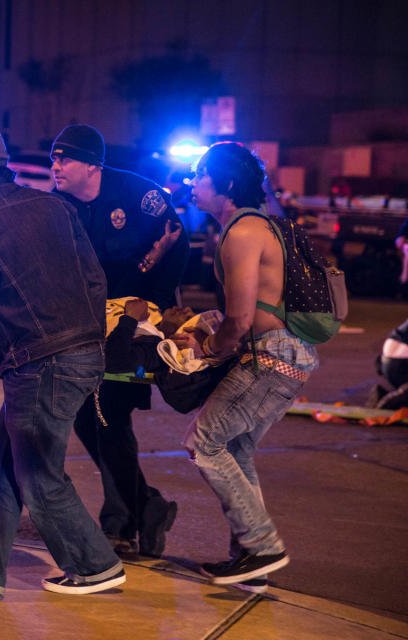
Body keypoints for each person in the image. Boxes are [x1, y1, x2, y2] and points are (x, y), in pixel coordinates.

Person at [0, 129, 123, 600]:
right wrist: (91, 341)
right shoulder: (56, 207)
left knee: (38, 474)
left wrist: (3, 362)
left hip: (38, 363)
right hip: (81, 353)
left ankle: (95, 565)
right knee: (0, 462)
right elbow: (96, 281)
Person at [174, 141, 319, 592]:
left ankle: (261, 545)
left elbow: (239, 319)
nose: (192, 182)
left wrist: (209, 349)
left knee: (203, 442)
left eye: (200, 174)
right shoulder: (265, 224)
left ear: (227, 184)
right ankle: (251, 561)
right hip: (291, 353)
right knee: (233, 449)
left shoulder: (241, 232)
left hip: (271, 354)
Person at [50, 124, 189, 558]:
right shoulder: (58, 205)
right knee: (84, 416)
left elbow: (176, 241)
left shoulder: (138, 196)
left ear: (94, 164)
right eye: (53, 158)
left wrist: (155, 304)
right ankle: (147, 505)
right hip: (88, 325)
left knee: (110, 413)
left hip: (134, 324)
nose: (55, 167)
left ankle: (119, 524)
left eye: (64, 158)